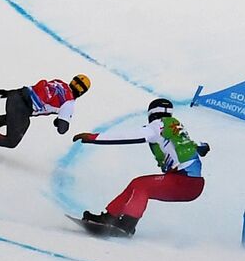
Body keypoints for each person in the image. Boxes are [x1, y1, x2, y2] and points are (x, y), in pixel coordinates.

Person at [71, 98, 210, 236]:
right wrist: (202, 147)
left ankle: (127, 224)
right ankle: (109, 217)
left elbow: (128, 136)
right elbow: (195, 146)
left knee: (141, 185)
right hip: (192, 185)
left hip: (184, 181)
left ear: (152, 113)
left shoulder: (158, 125)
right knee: (136, 185)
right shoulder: (177, 128)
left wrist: (94, 137)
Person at [0, 74, 91, 157]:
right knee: (11, 140)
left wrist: (10, 93)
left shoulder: (59, 82)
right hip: (23, 108)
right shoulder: (69, 103)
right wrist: (59, 122)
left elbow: (36, 90)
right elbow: (62, 129)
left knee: (11, 120)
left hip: (16, 95)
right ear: (82, 92)